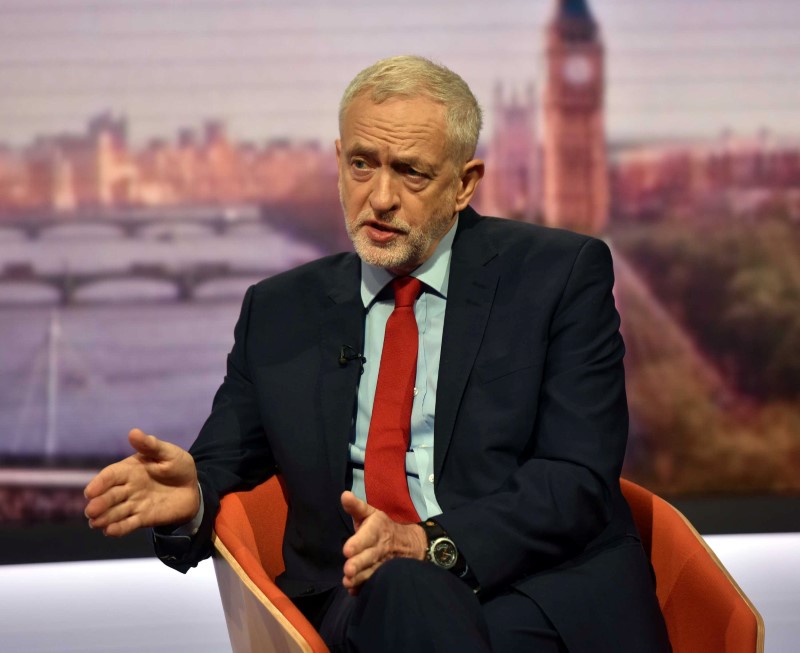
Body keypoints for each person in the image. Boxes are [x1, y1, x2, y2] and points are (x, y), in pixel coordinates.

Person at [84, 55, 671, 652]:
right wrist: (191, 499)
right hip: (364, 596)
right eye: (362, 165)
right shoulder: (280, 310)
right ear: (339, 162)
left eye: (411, 172)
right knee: (404, 592)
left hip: (541, 590)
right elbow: (220, 464)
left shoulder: (559, 276)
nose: (381, 197)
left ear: (464, 184)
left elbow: (576, 478)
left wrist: (427, 543)